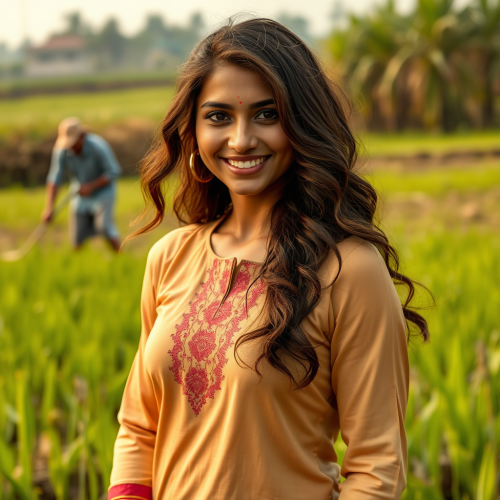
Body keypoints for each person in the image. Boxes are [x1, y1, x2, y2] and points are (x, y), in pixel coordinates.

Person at [108, 18, 430, 500]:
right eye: (218, 117)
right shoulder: (170, 257)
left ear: (301, 125)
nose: (241, 140)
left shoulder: (350, 270)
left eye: (266, 115)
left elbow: (378, 465)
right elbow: (139, 427)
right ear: (192, 131)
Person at [42, 117, 122, 251]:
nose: (71, 147)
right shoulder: (62, 150)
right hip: (79, 193)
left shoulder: (98, 146)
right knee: (77, 237)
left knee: (104, 226)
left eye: (73, 143)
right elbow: (55, 178)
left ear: (82, 136)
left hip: (103, 192)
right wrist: (49, 207)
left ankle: (120, 257)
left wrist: (92, 186)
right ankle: (77, 265)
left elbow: (113, 171)